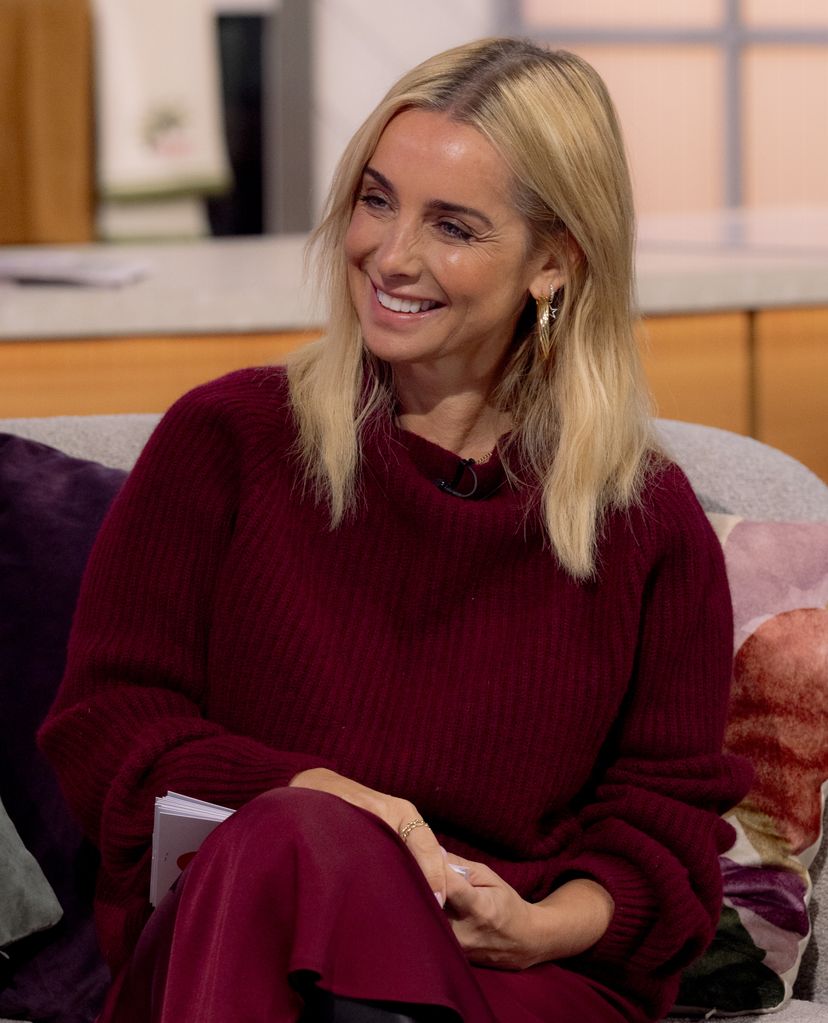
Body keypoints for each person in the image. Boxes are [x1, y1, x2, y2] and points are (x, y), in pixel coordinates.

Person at [38, 37, 751, 1023]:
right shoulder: (227, 442)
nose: (391, 254)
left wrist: (542, 926)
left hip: (510, 979)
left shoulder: (644, 520)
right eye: (377, 200)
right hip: (243, 930)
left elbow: (664, 833)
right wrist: (312, 792)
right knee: (290, 838)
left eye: (452, 226)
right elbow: (104, 731)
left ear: (554, 263)